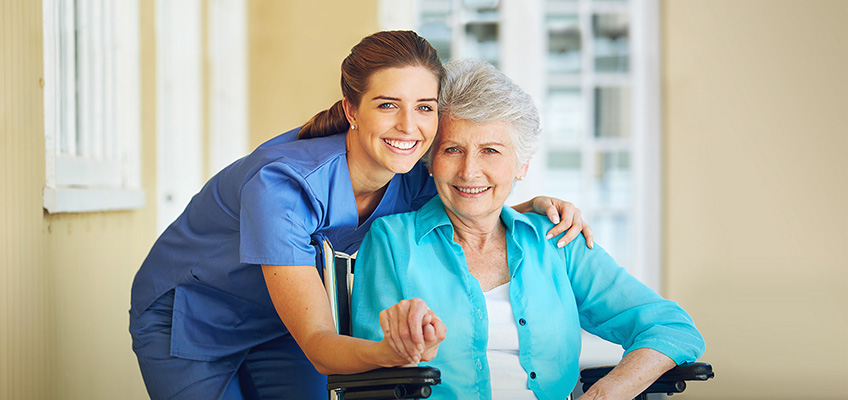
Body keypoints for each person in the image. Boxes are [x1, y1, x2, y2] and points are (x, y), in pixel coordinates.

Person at [129, 31, 591, 399]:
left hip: (282, 321)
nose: (409, 127)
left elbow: (472, 198)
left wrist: (528, 208)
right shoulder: (283, 186)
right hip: (194, 319)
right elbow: (318, 342)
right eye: (388, 105)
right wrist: (387, 352)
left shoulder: (411, 175)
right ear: (352, 109)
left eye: (424, 108)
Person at [351, 59, 706, 400]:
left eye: (490, 150)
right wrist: (403, 348)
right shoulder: (392, 241)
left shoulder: (558, 240)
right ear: (431, 162)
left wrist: (603, 395)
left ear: (522, 165)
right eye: (453, 149)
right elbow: (371, 373)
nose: (469, 171)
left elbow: (671, 327)